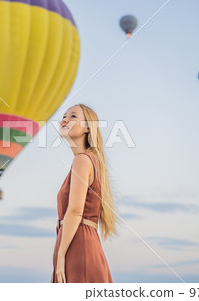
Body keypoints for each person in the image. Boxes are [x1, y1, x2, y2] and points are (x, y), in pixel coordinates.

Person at [51, 103, 118, 283]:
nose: (64, 119)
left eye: (73, 116)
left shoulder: (82, 160)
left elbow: (75, 211)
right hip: (79, 240)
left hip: (77, 245)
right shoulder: (92, 161)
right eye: (64, 116)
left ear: (88, 128)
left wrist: (61, 255)